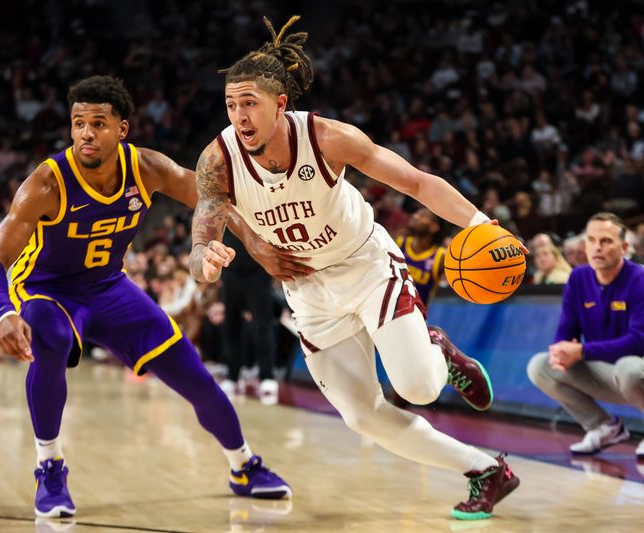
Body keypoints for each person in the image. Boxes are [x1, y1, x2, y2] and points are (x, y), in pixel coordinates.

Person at [188, 16, 520, 520]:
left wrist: (481, 224)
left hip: (365, 267)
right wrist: (203, 254)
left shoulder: (327, 138)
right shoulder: (218, 158)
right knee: (362, 416)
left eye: (249, 103)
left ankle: (439, 350)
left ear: (281, 104)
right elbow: (208, 214)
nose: (239, 115)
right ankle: (485, 470)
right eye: (231, 104)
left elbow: (415, 181)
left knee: (418, 389)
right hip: (308, 291)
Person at [0, 76, 293, 519]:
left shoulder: (146, 168)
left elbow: (211, 197)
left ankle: (243, 466)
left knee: (195, 376)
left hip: (110, 287)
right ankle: (49, 466)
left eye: (98, 123)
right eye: (78, 123)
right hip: (48, 290)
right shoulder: (46, 184)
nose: (86, 133)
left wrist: (256, 243)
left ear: (121, 129)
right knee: (49, 334)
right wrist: (3, 313)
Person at [527, 212, 644, 459]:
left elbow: (638, 341)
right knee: (540, 366)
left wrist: (581, 351)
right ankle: (603, 428)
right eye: (591, 240)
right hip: (606, 374)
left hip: (636, 370)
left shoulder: (639, 279)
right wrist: (560, 351)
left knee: (629, 369)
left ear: (624, 247)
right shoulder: (579, 278)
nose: (597, 247)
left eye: (606, 241)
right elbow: (566, 330)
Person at [219, 233, 280, 404]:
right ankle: (232, 376)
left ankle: (267, 375)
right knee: (231, 325)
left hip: (257, 271)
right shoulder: (223, 207)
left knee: (263, 324)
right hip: (230, 271)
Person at [395, 208, 446, 306]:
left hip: (414, 316)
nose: (415, 216)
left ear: (434, 227)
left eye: (422, 216)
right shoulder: (400, 242)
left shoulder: (440, 256)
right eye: (416, 213)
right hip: (387, 307)